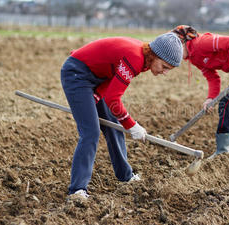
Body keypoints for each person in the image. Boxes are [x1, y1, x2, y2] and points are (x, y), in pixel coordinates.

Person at [60, 32, 183, 199]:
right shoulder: (135, 58)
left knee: (114, 127)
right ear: (155, 55)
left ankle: (126, 176)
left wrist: (97, 95)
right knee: (90, 132)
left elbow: (110, 76)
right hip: (77, 74)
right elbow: (113, 99)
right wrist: (131, 124)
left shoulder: (144, 60)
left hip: (96, 78)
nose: (165, 72)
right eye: (165, 67)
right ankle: (77, 190)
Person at [172, 25, 229, 158]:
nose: (175, 54)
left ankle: (223, 149)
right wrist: (210, 98)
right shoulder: (193, 57)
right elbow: (212, 77)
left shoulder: (201, 43)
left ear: (184, 42)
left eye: (176, 48)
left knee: (227, 103)